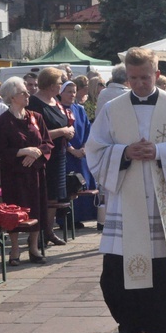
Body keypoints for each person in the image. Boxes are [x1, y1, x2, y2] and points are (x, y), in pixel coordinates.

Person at [86, 47, 166, 333]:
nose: (139, 83)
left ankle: (165, 327)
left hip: (162, 198)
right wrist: (123, 153)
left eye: (145, 77)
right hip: (126, 201)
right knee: (116, 271)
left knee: (164, 267)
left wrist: (160, 152)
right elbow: (95, 149)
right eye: (133, 77)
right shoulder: (113, 109)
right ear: (126, 75)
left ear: (156, 74)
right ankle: (128, 324)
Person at [0, 77, 52, 265]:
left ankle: (34, 248)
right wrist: (23, 151)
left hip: (35, 173)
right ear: (12, 97)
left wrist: (36, 154)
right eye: (23, 93)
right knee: (15, 211)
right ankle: (15, 250)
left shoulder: (36, 117)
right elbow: (2, 151)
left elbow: (47, 143)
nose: (28, 95)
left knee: (36, 209)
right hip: (14, 175)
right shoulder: (3, 121)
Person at [27, 67, 74, 247]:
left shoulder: (56, 101)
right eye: (60, 82)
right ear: (51, 85)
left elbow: (65, 121)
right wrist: (63, 131)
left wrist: (68, 131)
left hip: (60, 154)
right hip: (44, 155)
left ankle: (49, 231)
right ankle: (38, 233)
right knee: (44, 195)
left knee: (55, 195)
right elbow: (37, 133)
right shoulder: (34, 103)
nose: (61, 85)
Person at [60, 80, 97, 225]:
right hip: (67, 155)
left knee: (83, 184)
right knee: (70, 186)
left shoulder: (79, 109)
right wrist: (71, 149)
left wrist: (84, 147)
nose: (72, 94)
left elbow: (88, 130)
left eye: (74, 91)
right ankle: (68, 219)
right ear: (61, 93)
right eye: (68, 91)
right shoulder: (58, 109)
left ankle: (83, 215)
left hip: (81, 154)